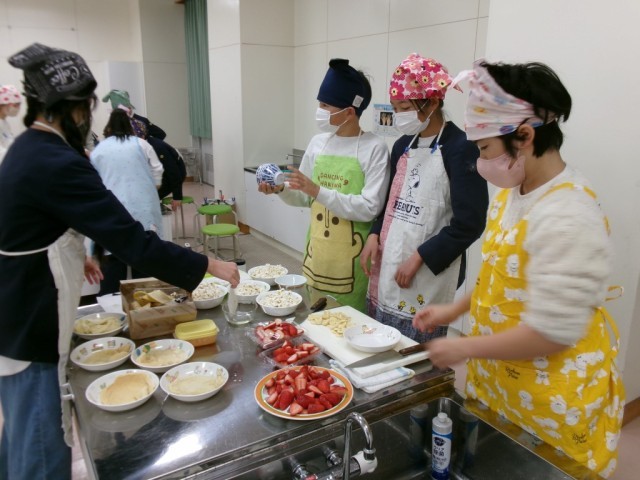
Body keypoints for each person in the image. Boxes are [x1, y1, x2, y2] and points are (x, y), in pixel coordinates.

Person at [0, 43, 239, 480]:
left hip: (16, 313)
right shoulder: (56, 160)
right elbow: (133, 242)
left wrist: (80, 252)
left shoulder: (29, 148)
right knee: (39, 449)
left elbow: (45, 224)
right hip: (30, 326)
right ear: (74, 108)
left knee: (20, 438)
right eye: (87, 107)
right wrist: (209, 264)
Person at [412, 59, 624, 477]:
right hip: (502, 382)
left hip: (551, 400)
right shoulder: (515, 193)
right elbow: (500, 277)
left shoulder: (568, 216)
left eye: (484, 149)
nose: (479, 162)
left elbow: (552, 333)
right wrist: (455, 310)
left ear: (524, 136)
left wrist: (463, 348)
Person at [360, 53, 488, 342]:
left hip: (430, 266)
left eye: (405, 108)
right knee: (382, 341)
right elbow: (390, 201)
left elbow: (470, 223)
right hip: (391, 255)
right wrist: (375, 233)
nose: (399, 116)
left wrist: (420, 256)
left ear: (432, 103)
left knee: (416, 348)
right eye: (395, 108)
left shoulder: (461, 148)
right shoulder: (403, 145)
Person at [259, 58, 390, 312]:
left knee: (347, 323)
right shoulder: (318, 143)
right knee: (316, 321)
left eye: (325, 105)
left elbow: (369, 208)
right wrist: (280, 189)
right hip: (317, 253)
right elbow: (302, 196)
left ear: (349, 112)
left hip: (352, 262)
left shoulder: (374, 148)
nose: (319, 110)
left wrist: (317, 190)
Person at [90, 109, 166, 295]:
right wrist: (152, 188)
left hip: (112, 210)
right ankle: (147, 300)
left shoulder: (99, 149)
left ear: (108, 126)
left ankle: (110, 302)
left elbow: (92, 178)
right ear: (129, 125)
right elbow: (158, 170)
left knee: (113, 261)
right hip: (143, 209)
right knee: (145, 258)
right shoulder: (141, 144)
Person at [102, 89, 166, 140]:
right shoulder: (113, 123)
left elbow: (161, 134)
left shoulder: (142, 121)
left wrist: (147, 143)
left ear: (129, 108)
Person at [0, 84, 22, 165]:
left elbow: (9, 143)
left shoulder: (4, 123)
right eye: (15, 105)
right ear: (2, 104)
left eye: (19, 104)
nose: (18, 108)